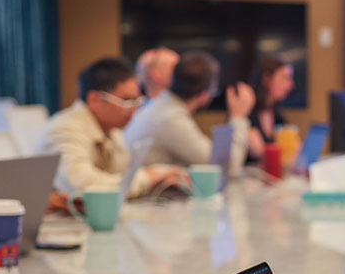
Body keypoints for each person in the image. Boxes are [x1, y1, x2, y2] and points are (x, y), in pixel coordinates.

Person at [35, 57, 183, 197]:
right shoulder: (64, 129)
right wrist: (148, 178)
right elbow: (82, 186)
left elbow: (124, 177)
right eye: (126, 100)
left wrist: (162, 177)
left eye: (136, 100)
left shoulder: (112, 131)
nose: (134, 108)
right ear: (95, 100)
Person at [123, 50, 255, 170]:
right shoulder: (170, 118)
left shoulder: (160, 107)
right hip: (144, 195)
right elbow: (224, 168)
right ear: (205, 94)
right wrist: (238, 117)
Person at [246, 55, 295, 161]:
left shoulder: (277, 114)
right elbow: (259, 152)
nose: (290, 85)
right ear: (266, 79)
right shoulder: (246, 114)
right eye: (285, 78)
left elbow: (293, 151)